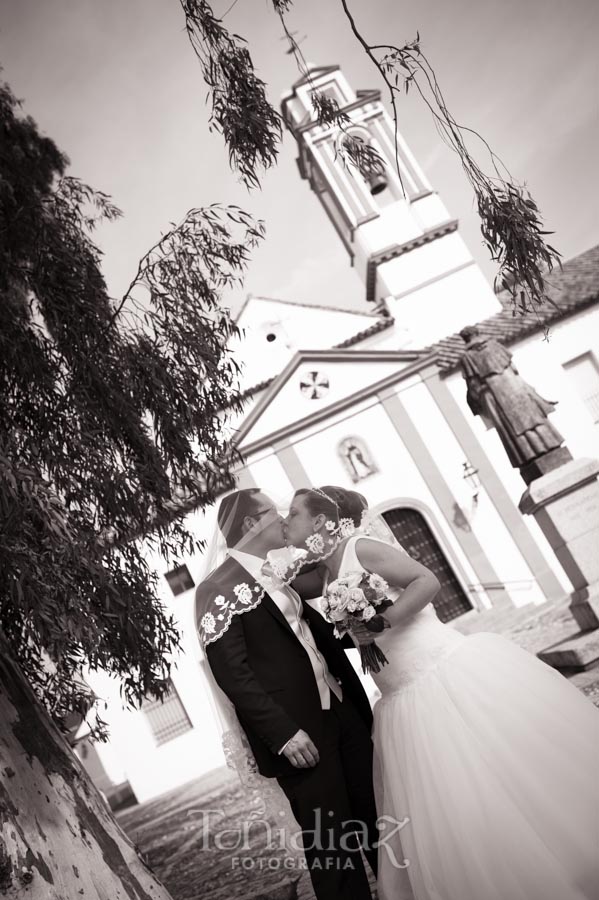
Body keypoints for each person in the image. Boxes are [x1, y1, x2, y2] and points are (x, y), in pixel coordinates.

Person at [284, 487, 599, 900]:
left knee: (490, 772)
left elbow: (426, 580)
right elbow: (279, 586)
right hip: (399, 697)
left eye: (292, 514)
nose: (285, 520)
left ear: (321, 521)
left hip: (439, 674)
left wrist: (381, 622)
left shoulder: (362, 548)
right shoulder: (325, 570)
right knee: (449, 803)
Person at [195, 488, 379, 900]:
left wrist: (371, 622)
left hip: (342, 715)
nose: (282, 517)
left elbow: (313, 635)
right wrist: (282, 734)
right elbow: (233, 674)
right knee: (332, 849)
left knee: (375, 822)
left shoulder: (276, 574)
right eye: (272, 511)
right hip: (300, 737)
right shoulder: (217, 589)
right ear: (249, 524)